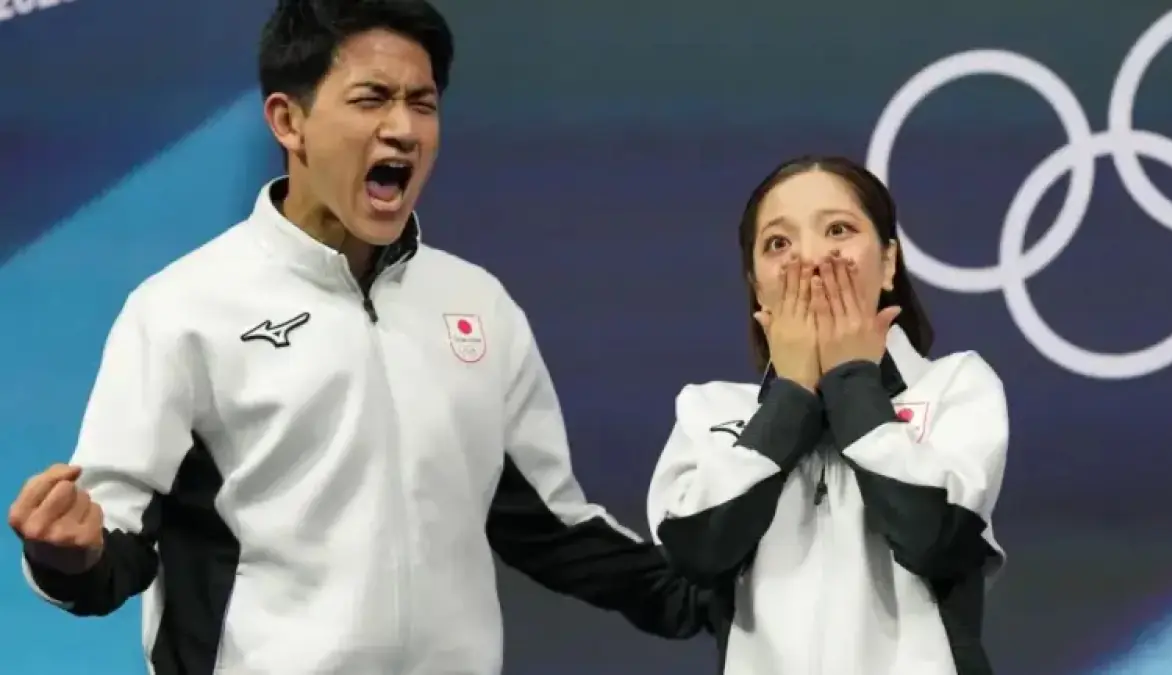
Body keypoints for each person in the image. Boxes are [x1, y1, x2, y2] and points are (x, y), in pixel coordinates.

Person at [6, 1, 709, 673]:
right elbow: (115, 541)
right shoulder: (181, 310)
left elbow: (550, 526)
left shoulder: (478, 304)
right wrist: (68, 556)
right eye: (372, 99)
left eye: (422, 104)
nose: (403, 129)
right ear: (289, 121)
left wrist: (717, 596)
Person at [646, 156, 1008, 675]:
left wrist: (852, 382)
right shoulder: (708, 410)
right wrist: (791, 396)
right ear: (757, 285)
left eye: (838, 230)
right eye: (779, 243)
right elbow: (697, 553)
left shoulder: (957, 385)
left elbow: (934, 538)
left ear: (888, 262)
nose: (812, 259)